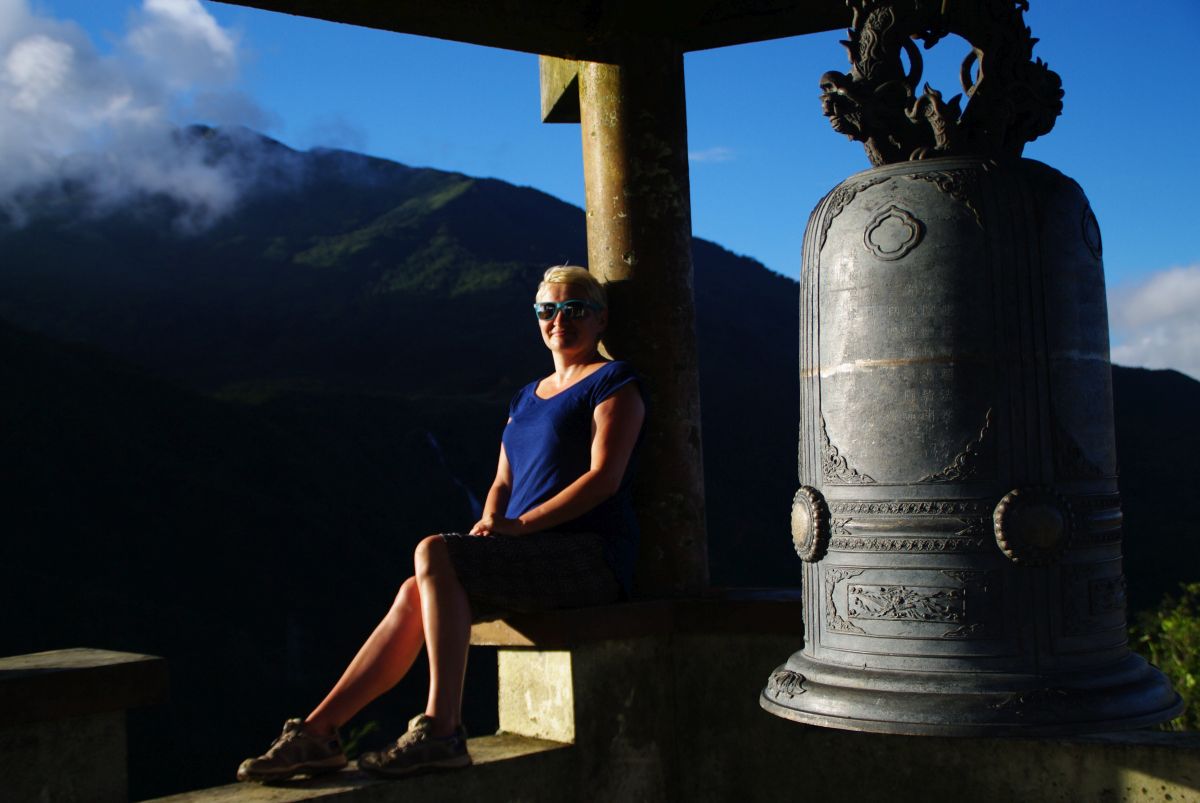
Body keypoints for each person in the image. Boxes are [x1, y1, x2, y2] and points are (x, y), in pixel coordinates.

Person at [237, 265, 646, 782]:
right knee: (414, 590)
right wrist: (492, 520)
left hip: (588, 558)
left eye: (575, 309)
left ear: (601, 318)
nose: (559, 320)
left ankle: (442, 730)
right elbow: (502, 479)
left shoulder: (615, 382)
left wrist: (518, 528)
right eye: (548, 310)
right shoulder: (527, 396)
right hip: (526, 556)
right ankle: (319, 733)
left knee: (434, 550)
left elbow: (603, 480)